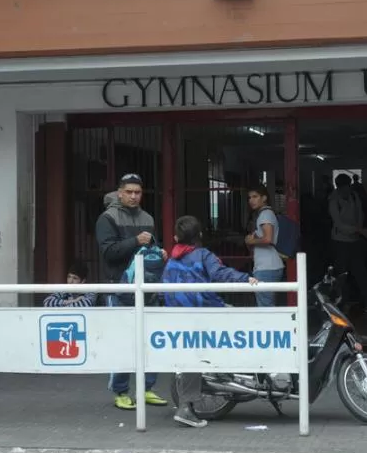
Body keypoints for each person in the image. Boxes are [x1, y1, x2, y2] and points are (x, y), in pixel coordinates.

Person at [162, 215, 259, 428]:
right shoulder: (202, 255)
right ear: (200, 236)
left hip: (178, 317)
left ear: (176, 237)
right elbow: (221, 274)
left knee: (191, 354)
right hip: (205, 313)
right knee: (246, 323)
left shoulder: (171, 260)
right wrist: (246, 278)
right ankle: (232, 371)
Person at [94, 173, 168, 411]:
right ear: (119, 192)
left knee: (151, 342)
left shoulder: (147, 217)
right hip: (119, 288)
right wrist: (136, 241)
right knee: (122, 343)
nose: (134, 196)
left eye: (138, 192)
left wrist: (160, 251)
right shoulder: (107, 218)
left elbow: (150, 247)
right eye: (129, 192)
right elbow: (109, 253)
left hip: (147, 288)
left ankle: (147, 388)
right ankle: (121, 391)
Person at [328, 173, 367, 311]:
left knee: (361, 272)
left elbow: (361, 214)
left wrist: (358, 229)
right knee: (342, 274)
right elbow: (339, 224)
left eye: (348, 187)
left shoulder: (354, 196)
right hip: (340, 241)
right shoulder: (333, 201)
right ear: (339, 187)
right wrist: (359, 230)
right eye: (344, 188)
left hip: (355, 240)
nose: (347, 190)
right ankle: (342, 302)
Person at [244, 185, 285, 306]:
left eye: (255, 196)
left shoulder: (265, 214)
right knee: (267, 305)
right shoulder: (266, 213)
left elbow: (268, 239)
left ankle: (270, 326)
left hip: (267, 267)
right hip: (269, 266)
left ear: (264, 198)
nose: (251, 200)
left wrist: (250, 241)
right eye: (249, 197)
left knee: (265, 307)